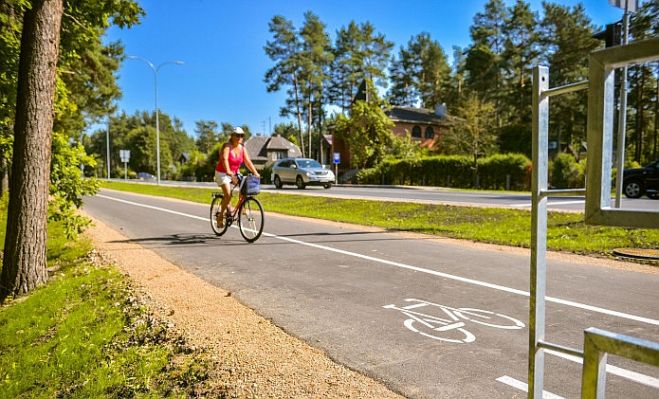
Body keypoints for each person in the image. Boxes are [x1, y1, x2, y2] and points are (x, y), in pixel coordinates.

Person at [214, 127, 260, 226]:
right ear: (232, 136)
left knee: (244, 187)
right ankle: (220, 216)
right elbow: (224, 159)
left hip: (234, 173)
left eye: (241, 135)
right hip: (222, 173)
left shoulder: (242, 148)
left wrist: (255, 172)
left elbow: (248, 162)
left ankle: (242, 207)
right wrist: (228, 171)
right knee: (228, 194)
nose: (239, 137)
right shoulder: (227, 146)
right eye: (237, 135)